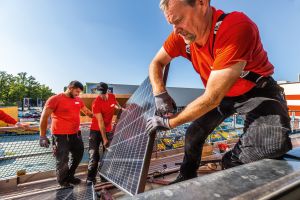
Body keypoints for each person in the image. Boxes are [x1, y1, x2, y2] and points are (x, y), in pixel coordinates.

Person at [146, 0, 292, 184]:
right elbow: (156, 63)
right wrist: (160, 94)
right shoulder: (180, 37)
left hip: (257, 92)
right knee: (193, 133)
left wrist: (169, 122)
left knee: (272, 145)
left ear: (202, 3)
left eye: (180, 20)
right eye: (172, 24)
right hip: (224, 96)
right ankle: (187, 175)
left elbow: (212, 98)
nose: (176, 30)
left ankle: (230, 161)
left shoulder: (236, 26)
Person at [39, 80, 93, 188]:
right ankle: (63, 182)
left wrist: (99, 118)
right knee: (63, 160)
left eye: (79, 92)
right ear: (70, 88)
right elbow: (44, 117)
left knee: (79, 155)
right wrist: (42, 136)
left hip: (75, 134)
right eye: (77, 91)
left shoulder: (78, 100)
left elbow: (87, 112)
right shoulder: (55, 99)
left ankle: (70, 176)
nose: (78, 94)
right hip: (60, 136)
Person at [87, 82, 123, 184]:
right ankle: (90, 178)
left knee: (107, 155)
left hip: (108, 130)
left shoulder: (112, 96)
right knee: (94, 155)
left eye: (103, 92)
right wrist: (105, 139)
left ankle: (104, 176)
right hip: (95, 131)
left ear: (107, 91)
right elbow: (101, 123)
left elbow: (115, 104)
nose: (102, 95)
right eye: (100, 93)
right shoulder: (96, 103)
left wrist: (119, 108)